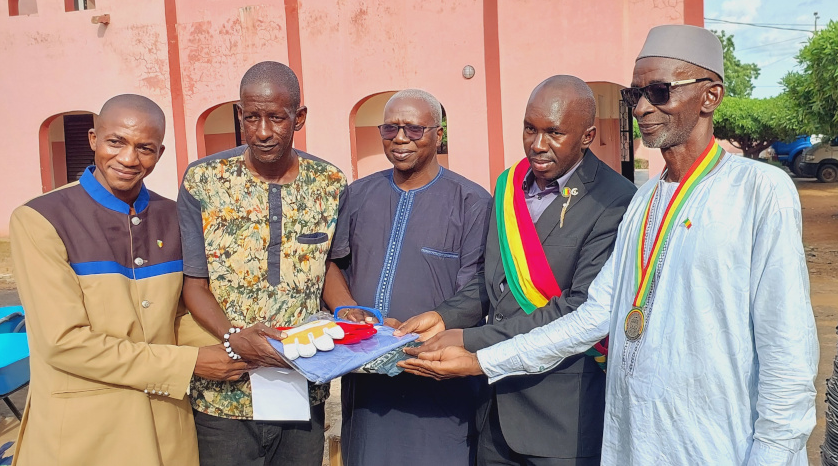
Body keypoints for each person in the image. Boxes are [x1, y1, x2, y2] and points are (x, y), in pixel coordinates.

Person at [401, 25, 820, 466]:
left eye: (659, 91)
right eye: (633, 95)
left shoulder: (758, 189)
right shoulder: (644, 199)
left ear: (710, 96)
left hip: (719, 440)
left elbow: (787, 350)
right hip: (635, 438)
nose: (641, 108)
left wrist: (773, 453)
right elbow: (593, 316)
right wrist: (485, 360)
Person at [397, 75, 638, 466]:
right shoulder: (509, 185)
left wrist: (472, 340)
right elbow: (491, 279)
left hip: (561, 421)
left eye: (554, 133)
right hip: (494, 413)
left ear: (588, 136)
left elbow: (579, 309)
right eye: (530, 128)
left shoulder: (614, 200)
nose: (537, 145)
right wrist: (444, 317)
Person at [9, 94, 249, 466]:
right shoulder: (42, 219)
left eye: (145, 148)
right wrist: (188, 364)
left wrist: (241, 343)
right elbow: (64, 342)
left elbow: (177, 319)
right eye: (115, 142)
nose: (128, 158)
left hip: (167, 430)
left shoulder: (172, 215)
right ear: (93, 139)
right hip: (84, 434)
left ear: (161, 153)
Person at [178, 62, 347, 466]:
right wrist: (232, 334)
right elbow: (193, 283)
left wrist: (345, 309)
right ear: (240, 116)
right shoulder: (203, 180)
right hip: (224, 393)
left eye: (277, 117)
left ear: (299, 118)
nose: (264, 131)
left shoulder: (330, 183)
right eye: (252, 117)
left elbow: (327, 265)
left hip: (301, 385)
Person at [322, 89, 491, 466]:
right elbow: (333, 265)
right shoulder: (358, 194)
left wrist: (432, 326)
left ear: (438, 134)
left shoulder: (472, 201)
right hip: (366, 383)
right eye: (390, 128)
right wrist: (347, 308)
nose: (400, 138)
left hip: (434, 380)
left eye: (414, 129)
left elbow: (479, 287)